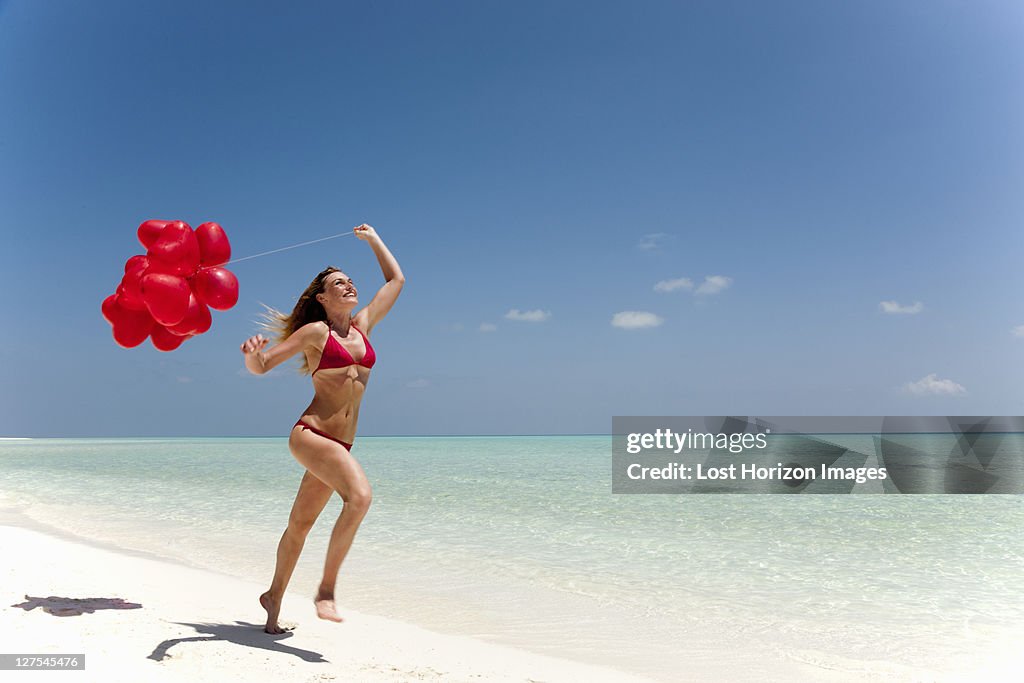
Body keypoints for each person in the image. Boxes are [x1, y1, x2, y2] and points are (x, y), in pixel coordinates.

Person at [240, 223, 404, 634]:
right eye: (338, 283)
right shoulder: (317, 332)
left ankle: (273, 600)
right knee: (360, 497)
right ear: (322, 297)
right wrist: (251, 355)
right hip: (311, 435)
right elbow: (262, 366)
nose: (349, 286)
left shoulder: (364, 325)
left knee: (300, 525)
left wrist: (373, 240)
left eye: (350, 281)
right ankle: (326, 590)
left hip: (339, 445)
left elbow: (396, 279)